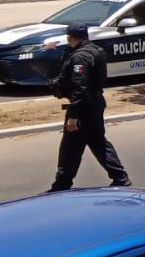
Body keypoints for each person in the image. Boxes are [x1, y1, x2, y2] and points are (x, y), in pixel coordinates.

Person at [48, 22, 130, 191]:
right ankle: (120, 178)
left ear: (70, 37)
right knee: (98, 142)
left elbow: (80, 87)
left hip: (83, 108)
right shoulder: (95, 50)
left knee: (70, 148)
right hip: (95, 103)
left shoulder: (80, 57)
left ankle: (61, 186)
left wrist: (73, 116)